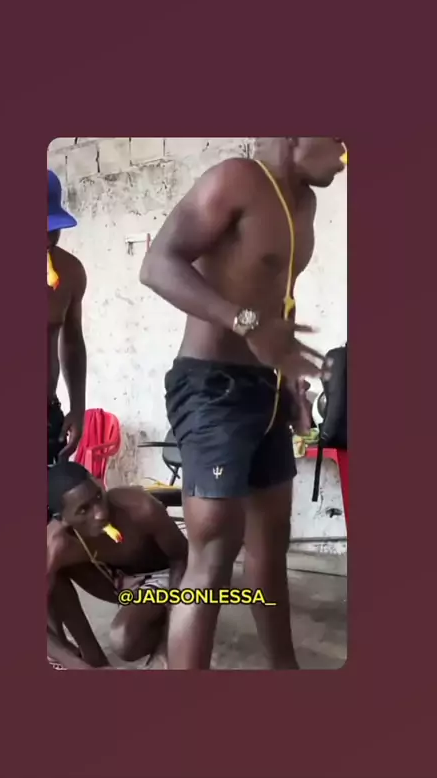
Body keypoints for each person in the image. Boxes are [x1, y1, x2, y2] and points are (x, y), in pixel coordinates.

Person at [140, 137, 345, 669]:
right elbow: (157, 265)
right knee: (213, 556)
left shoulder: (304, 201)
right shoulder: (235, 180)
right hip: (211, 386)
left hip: (267, 388)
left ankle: (285, 677)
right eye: (340, 140)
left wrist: (289, 375)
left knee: (271, 545)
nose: (346, 156)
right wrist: (246, 323)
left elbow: (277, 296)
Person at [47, 462, 188, 668]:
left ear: (98, 483)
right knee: (55, 571)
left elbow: (182, 557)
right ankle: (93, 658)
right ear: (63, 519)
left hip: (164, 574)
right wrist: (75, 664)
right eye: (83, 510)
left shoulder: (139, 508)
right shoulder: (56, 544)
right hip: (118, 579)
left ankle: (165, 629)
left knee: (125, 641)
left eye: (98, 497)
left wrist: (169, 638)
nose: (100, 513)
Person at [47, 170, 87, 468]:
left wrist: (78, 408)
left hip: (47, 414)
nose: (49, 238)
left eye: (53, 228)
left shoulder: (70, 272)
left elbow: (72, 342)